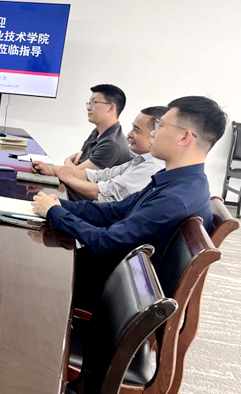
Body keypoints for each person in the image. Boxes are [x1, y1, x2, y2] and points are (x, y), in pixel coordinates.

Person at [31, 96, 226, 309]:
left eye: (160, 125)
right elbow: (114, 211)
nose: (153, 132)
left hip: (110, 293)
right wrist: (60, 205)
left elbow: (106, 242)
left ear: (184, 137)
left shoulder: (174, 200)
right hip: (115, 275)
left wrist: (56, 213)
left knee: (26, 265)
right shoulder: (180, 181)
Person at [32, 106, 168, 202]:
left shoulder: (152, 167)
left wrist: (67, 176)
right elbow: (99, 176)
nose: (129, 134)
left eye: (136, 130)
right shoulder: (139, 159)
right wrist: (52, 172)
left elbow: (104, 193)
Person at [63, 84, 132, 171]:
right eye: (89, 102)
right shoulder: (97, 131)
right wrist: (71, 164)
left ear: (111, 107)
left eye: (94, 102)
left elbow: (75, 173)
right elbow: (77, 161)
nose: (89, 108)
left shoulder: (112, 144)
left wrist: (67, 160)